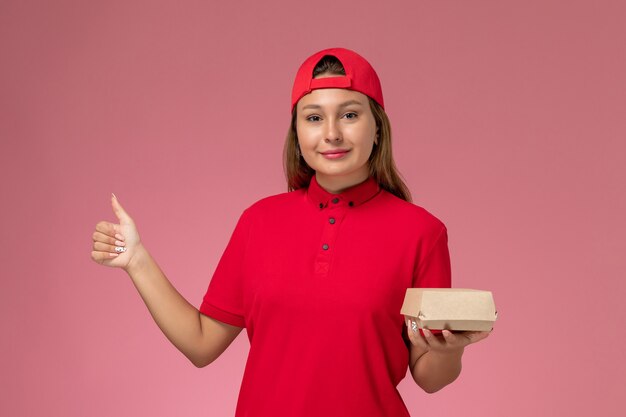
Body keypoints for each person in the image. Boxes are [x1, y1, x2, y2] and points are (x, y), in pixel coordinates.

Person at [90, 47, 490, 417]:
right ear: (297, 134)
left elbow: (430, 378)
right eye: (314, 117)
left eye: (349, 114)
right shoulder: (258, 222)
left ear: (378, 128)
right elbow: (200, 343)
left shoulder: (422, 232)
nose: (331, 133)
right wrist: (137, 261)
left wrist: (449, 351)